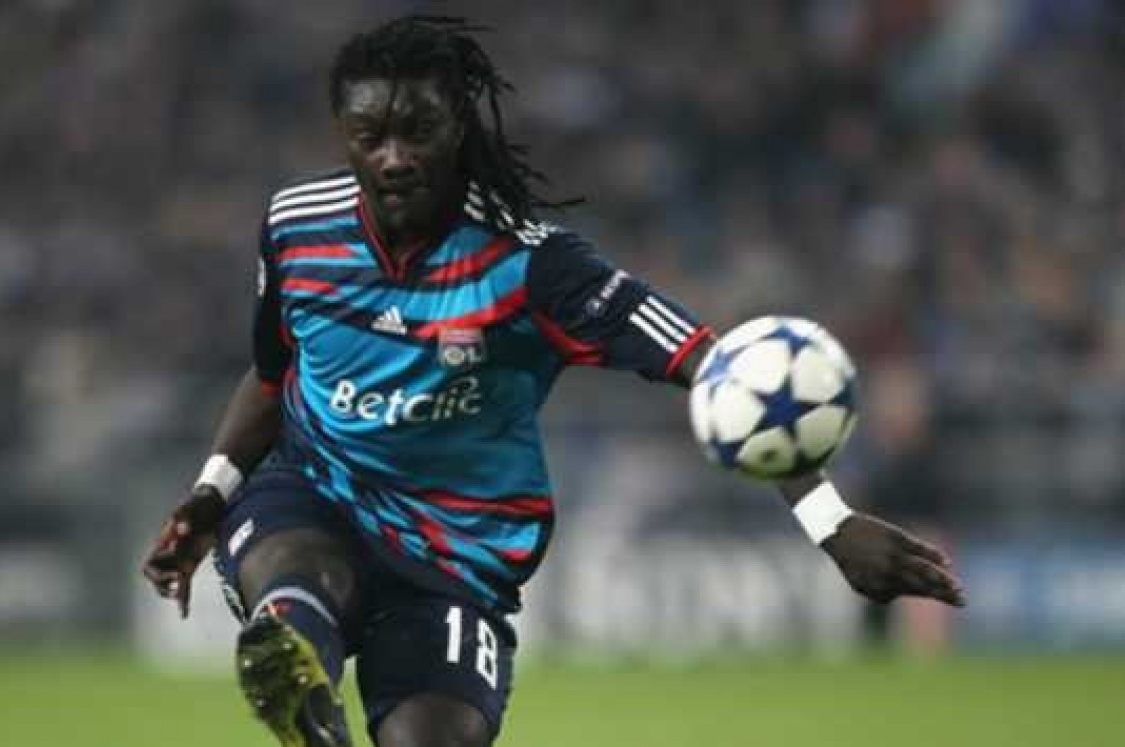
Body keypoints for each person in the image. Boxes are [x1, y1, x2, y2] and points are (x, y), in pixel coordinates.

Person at [143, 15, 966, 747]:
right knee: (296, 584)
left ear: (458, 125)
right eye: (369, 134)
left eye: (417, 131)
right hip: (315, 492)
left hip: (458, 555)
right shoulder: (296, 227)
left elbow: (719, 371)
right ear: (342, 132)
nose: (392, 157)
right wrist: (211, 494)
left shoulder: (535, 265)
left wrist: (830, 520)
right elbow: (273, 374)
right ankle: (300, 683)